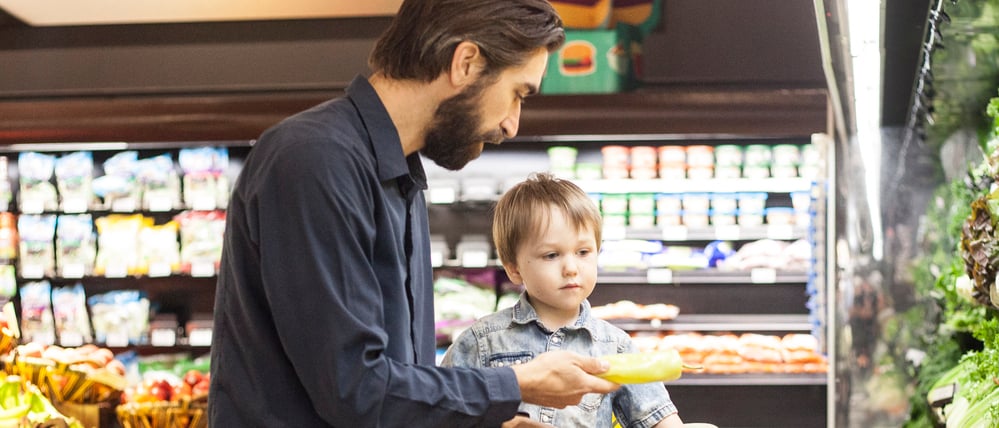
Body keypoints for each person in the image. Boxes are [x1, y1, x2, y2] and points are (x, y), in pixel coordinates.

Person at [207, 1, 621, 426]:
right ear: (466, 63)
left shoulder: (400, 175)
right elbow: (355, 390)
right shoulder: (315, 160)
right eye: (517, 93)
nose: (511, 124)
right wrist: (516, 384)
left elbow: (390, 392)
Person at [441, 172, 685, 428]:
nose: (571, 268)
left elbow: (660, 419)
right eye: (551, 255)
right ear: (513, 268)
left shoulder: (615, 346)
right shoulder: (481, 341)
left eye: (583, 252)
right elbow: (441, 414)